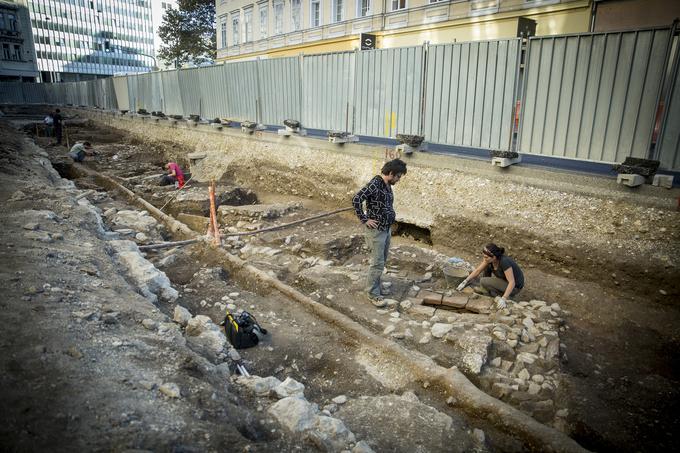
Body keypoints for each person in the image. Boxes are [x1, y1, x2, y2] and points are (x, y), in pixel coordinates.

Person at [352, 159, 407, 306]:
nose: (399, 179)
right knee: (377, 263)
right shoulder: (375, 184)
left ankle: (375, 286)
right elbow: (356, 199)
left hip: (385, 228)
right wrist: (364, 219)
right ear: (390, 173)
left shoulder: (387, 185)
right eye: (398, 176)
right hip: (376, 231)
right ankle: (372, 293)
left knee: (381, 261)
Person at [456, 243, 525, 309]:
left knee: (483, 281)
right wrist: (465, 281)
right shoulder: (490, 260)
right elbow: (478, 270)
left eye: (486, 257)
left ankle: (508, 296)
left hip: (515, 287)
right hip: (505, 281)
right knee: (487, 267)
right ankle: (489, 289)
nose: (484, 259)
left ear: (494, 257)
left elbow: (512, 282)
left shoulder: (504, 262)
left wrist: (504, 298)